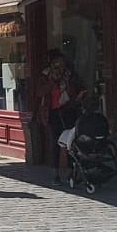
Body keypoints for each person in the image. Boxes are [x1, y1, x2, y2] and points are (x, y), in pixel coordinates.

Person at [40, 51, 86, 184]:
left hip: (69, 111)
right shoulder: (46, 76)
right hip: (52, 113)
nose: (59, 66)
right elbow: (39, 92)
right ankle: (55, 174)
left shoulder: (70, 76)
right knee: (55, 143)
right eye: (56, 63)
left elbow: (80, 89)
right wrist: (52, 83)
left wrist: (77, 98)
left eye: (61, 63)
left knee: (71, 142)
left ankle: (72, 172)